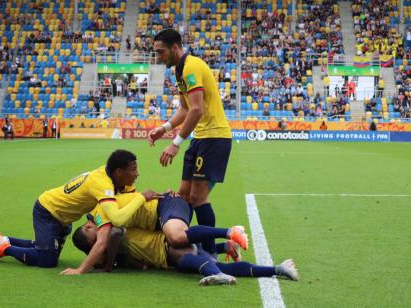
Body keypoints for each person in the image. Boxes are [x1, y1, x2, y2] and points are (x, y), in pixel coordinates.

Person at [0, 150, 162, 275]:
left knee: (43, 248)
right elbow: (117, 218)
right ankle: (5, 248)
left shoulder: (107, 174)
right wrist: (141, 197)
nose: (137, 174)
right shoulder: (102, 184)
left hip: (62, 218)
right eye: (134, 169)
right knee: (47, 260)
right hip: (48, 211)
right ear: (119, 172)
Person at [148, 29, 233, 255]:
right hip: (201, 138)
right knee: (183, 195)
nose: (159, 57)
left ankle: (210, 254)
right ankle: (189, 244)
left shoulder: (192, 66)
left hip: (214, 138)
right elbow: (185, 108)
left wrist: (175, 143)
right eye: (156, 53)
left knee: (198, 198)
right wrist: (164, 128)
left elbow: (197, 110)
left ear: (175, 48)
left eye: (161, 52)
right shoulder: (179, 70)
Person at [74, 225, 299, 286]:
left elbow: (114, 234)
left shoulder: (111, 227)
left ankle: (220, 267)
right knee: (218, 265)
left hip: (165, 246)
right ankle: (278, 269)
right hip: (165, 253)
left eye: (96, 243)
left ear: (88, 227)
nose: (100, 245)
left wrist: (106, 268)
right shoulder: (111, 240)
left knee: (189, 261)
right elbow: (136, 261)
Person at [84, 192, 248, 252]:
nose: (100, 241)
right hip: (161, 216)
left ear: (89, 226)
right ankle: (226, 247)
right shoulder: (100, 215)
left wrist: (83, 269)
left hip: (165, 206)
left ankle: (230, 232)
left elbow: (112, 234)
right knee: (180, 247)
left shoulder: (99, 214)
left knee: (175, 237)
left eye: (95, 239)